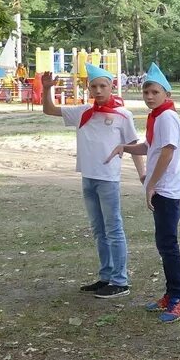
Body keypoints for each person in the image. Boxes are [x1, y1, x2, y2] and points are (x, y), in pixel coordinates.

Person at [40, 64, 143, 299]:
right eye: (94, 86)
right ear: (88, 88)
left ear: (111, 87)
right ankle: (106, 276)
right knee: (99, 230)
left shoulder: (122, 115)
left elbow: (134, 145)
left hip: (108, 179)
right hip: (88, 177)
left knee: (113, 228)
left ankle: (120, 280)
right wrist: (47, 89)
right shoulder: (83, 112)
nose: (98, 91)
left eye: (102, 86)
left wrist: (142, 174)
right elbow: (50, 110)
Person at [107, 64, 180, 322]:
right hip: (162, 188)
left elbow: (167, 152)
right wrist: (125, 147)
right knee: (164, 243)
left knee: (168, 244)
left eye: (154, 91)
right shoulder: (158, 116)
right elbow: (150, 147)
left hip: (167, 189)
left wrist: (152, 183)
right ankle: (171, 294)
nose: (149, 96)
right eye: (146, 92)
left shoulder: (166, 117)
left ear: (166, 94)